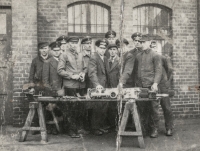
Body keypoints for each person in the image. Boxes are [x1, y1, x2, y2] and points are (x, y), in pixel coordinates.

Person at [57, 37, 87, 138]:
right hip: (70, 86)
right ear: (68, 44)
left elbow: (85, 67)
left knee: (80, 107)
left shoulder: (80, 55)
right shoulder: (64, 55)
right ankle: (71, 130)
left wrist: (83, 74)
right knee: (71, 109)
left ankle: (78, 128)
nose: (74, 45)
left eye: (76, 43)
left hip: (80, 85)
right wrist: (72, 75)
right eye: (72, 43)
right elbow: (60, 70)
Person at [136, 34, 162, 138]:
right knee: (142, 109)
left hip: (151, 87)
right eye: (140, 42)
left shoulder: (155, 55)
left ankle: (154, 129)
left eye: (143, 42)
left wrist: (155, 83)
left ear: (149, 43)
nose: (141, 44)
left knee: (153, 108)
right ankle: (144, 129)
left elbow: (158, 70)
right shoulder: (138, 55)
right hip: (141, 87)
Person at [150, 40, 174, 136]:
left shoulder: (164, 58)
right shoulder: (150, 58)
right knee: (153, 108)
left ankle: (169, 128)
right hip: (153, 85)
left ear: (159, 48)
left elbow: (170, 70)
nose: (154, 48)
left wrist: (165, 81)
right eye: (152, 47)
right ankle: (154, 129)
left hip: (163, 85)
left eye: (155, 46)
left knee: (166, 107)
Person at [88, 39, 109, 135]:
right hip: (98, 86)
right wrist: (97, 85)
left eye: (104, 48)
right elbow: (92, 73)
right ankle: (95, 128)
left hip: (105, 86)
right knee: (97, 107)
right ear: (96, 48)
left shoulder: (105, 58)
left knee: (104, 106)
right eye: (101, 48)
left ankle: (100, 126)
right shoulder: (94, 57)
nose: (103, 50)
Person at [28, 42, 51, 134]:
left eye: (45, 48)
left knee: (49, 106)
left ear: (48, 49)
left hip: (49, 87)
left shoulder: (52, 60)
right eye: (42, 48)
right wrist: (32, 87)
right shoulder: (35, 61)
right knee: (38, 106)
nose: (44, 50)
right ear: (39, 50)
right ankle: (37, 126)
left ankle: (48, 127)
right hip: (38, 87)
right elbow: (31, 76)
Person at [42, 41, 63, 135]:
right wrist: (51, 91)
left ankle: (61, 128)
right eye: (55, 50)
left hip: (62, 90)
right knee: (51, 110)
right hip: (52, 92)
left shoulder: (63, 60)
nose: (57, 52)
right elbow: (45, 81)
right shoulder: (47, 62)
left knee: (61, 110)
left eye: (59, 50)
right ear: (51, 51)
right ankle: (52, 128)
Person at [105, 43, 120, 130]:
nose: (112, 52)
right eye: (110, 50)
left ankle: (118, 125)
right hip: (108, 86)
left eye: (114, 49)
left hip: (117, 86)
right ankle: (112, 125)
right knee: (110, 106)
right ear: (108, 51)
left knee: (117, 106)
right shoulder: (106, 60)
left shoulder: (120, 60)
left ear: (117, 51)